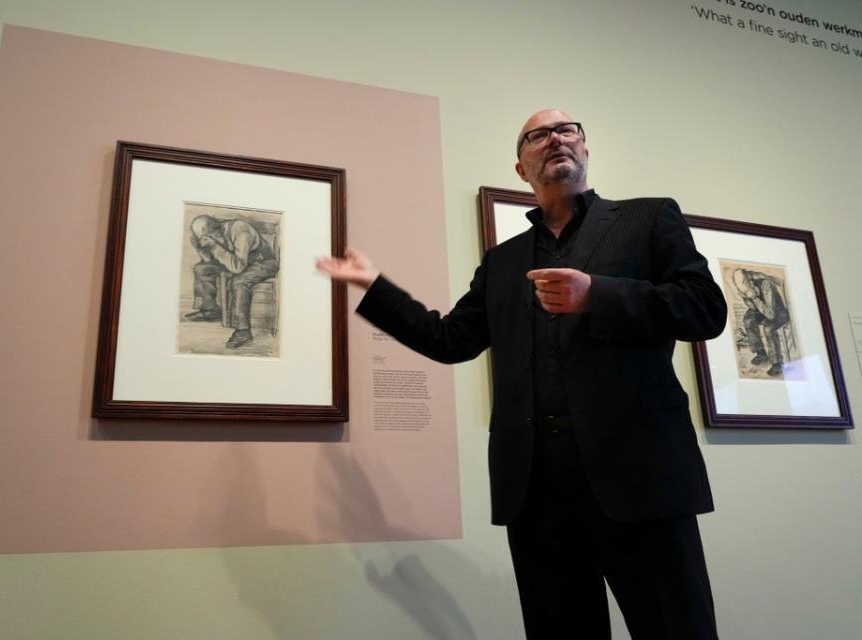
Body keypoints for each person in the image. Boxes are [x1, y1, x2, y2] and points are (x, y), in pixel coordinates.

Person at [317, 109, 727, 639]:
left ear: (584, 149)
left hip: (640, 476)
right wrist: (373, 286)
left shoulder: (647, 219)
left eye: (568, 129)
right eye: (539, 135)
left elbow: (705, 310)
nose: (556, 138)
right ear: (521, 168)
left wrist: (597, 295)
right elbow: (450, 341)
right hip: (536, 489)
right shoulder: (503, 260)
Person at [185, 214, 279, 348]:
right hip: (236, 261)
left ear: (213, 232)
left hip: (263, 262)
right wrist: (201, 248)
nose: (203, 240)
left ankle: (243, 331)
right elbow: (208, 261)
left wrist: (214, 246)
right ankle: (210, 310)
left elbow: (237, 267)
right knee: (201, 269)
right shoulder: (212, 234)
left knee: (239, 282)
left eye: (205, 237)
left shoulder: (240, 230)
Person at [733, 268, 789, 376]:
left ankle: (776, 363)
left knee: (768, 329)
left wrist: (754, 298)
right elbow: (754, 308)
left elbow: (770, 314)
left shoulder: (765, 284)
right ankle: (761, 353)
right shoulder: (745, 289)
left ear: (749, 278)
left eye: (744, 282)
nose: (742, 286)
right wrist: (747, 297)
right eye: (738, 284)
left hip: (778, 312)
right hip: (762, 309)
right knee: (748, 320)